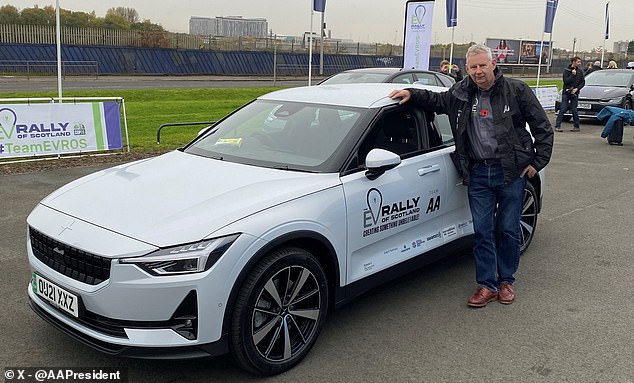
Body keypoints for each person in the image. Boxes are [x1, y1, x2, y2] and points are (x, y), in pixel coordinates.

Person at [388, 44, 553, 308]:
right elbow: (437, 100)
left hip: (511, 172)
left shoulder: (516, 90)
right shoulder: (461, 93)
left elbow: (542, 127)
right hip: (478, 173)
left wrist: (537, 163)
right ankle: (487, 285)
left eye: (482, 66)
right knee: (482, 231)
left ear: (493, 65)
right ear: (467, 69)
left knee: (508, 230)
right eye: (473, 67)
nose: (478, 71)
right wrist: (411, 93)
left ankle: (506, 281)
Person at [555, 56, 585, 132]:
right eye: (578, 62)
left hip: (575, 93)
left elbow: (583, 82)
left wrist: (577, 89)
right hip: (567, 92)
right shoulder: (567, 71)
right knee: (563, 108)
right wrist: (572, 75)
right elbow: (566, 81)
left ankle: (576, 126)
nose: (579, 63)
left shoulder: (580, 71)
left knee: (574, 109)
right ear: (573, 62)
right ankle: (557, 126)